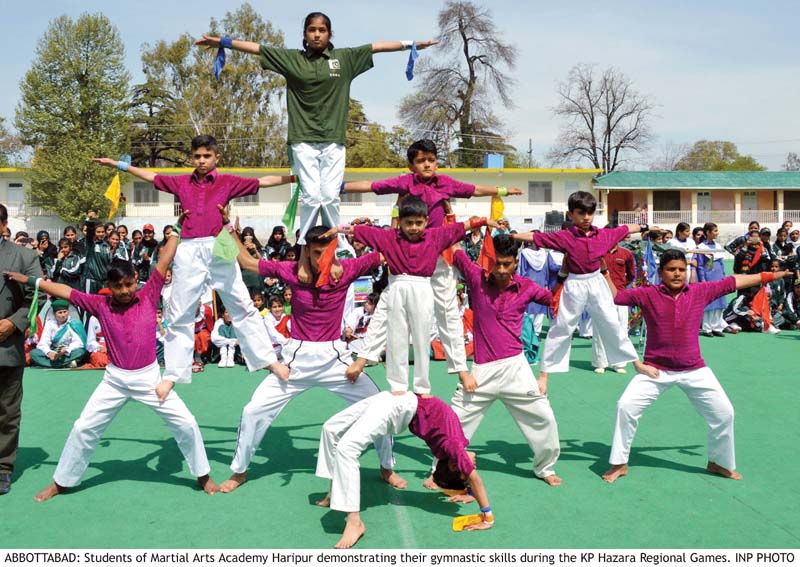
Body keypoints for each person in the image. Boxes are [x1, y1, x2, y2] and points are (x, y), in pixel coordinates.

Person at [5, 214, 221, 501]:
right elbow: (66, 290)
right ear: (109, 286)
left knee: (186, 423)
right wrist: (33, 280)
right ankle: (62, 482)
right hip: (115, 381)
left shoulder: (147, 294)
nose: (124, 291)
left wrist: (177, 230)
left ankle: (203, 475)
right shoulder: (100, 303)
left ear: (135, 281)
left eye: (129, 285)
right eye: (118, 287)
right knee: (84, 428)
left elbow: (165, 259)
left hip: (149, 378)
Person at [195, 13, 437, 251]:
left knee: (330, 196)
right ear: (305, 34)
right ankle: (305, 244)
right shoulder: (293, 60)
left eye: (322, 30)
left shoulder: (345, 58)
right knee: (311, 197)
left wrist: (411, 45)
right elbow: (258, 48)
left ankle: (337, 240)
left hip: (334, 140)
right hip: (303, 140)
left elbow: (378, 46)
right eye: (312, 30)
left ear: (330, 34)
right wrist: (222, 42)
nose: (317, 34)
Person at [218, 219, 402, 494]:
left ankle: (387, 467)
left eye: (327, 251)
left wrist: (362, 229)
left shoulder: (347, 269)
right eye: (316, 252)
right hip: (295, 363)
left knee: (380, 406)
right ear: (307, 250)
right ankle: (239, 471)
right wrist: (228, 228)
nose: (321, 258)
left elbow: (390, 248)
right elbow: (246, 261)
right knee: (252, 411)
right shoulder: (292, 271)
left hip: (335, 360)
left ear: (335, 249)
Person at [92, 134, 293, 384]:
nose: (202, 160)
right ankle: (174, 373)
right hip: (187, 247)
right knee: (179, 312)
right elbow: (150, 176)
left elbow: (264, 181)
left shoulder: (228, 181)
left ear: (216, 157)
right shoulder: (181, 183)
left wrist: (296, 177)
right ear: (192, 157)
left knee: (242, 303)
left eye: (207, 156)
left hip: (220, 243)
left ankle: (269, 360)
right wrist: (118, 165)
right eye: (197, 156)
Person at [342, 139, 522, 387]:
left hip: (438, 254)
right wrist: (337, 187)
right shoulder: (404, 182)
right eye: (420, 161)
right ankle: (363, 359)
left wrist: (502, 191)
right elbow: (370, 186)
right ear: (411, 165)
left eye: (431, 160)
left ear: (436, 161)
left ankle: (460, 369)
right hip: (404, 256)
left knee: (448, 313)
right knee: (386, 307)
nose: (427, 164)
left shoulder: (445, 183)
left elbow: (474, 189)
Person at [601, 249, 787, 483]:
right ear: (661, 272)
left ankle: (719, 463)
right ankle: (619, 463)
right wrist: (605, 271)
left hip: (694, 369)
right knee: (625, 406)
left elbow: (734, 281)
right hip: (656, 369)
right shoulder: (648, 294)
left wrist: (769, 276)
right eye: (671, 269)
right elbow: (617, 296)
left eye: (681, 269)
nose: (677, 274)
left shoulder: (700, 291)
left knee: (724, 413)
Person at [338, 197, 495, 393]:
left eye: (418, 223)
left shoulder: (435, 236)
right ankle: (398, 385)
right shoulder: (390, 237)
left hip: (423, 289)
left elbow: (461, 227)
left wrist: (482, 221)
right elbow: (357, 230)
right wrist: (335, 229)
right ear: (400, 222)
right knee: (396, 338)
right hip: (396, 287)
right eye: (408, 223)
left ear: (427, 221)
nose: (413, 228)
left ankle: (422, 387)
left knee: (422, 339)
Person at [445, 234, 561, 486]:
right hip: (481, 371)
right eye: (496, 263)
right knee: (453, 423)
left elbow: (555, 300)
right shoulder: (476, 276)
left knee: (545, 418)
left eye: (506, 264)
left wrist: (567, 273)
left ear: (516, 262)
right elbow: (452, 245)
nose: (500, 269)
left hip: (516, 367)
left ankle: (545, 468)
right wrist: (452, 207)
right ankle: (440, 471)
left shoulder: (527, 287)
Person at [316, 391, 493, 549]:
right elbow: (474, 477)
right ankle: (339, 498)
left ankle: (353, 520)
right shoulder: (455, 448)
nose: (471, 467)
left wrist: (468, 492)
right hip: (399, 404)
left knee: (345, 447)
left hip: (397, 406)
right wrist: (488, 517)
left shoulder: (453, 450)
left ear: (453, 466)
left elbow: (469, 471)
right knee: (331, 429)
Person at [512, 192, 645, 391]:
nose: (586, 217)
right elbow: (536, 237)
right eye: (581, 213)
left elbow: (627, 228)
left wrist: (645, 227)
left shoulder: (603, 235)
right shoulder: (565, 237)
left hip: (597, 282)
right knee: (561, 327)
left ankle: (635, 363)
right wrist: (512, 235)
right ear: (570, 214)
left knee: (612, 322)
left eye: (590, 213)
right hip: (574, 284)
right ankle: (544, 375)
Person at [0, 203, 43, 495]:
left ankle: (3, 467)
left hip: (5, 346)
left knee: (6, 411)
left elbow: (36, 297)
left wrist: (13, 324)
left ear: (3, 223)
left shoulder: (25, 256)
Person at [592, 243, 636, 374]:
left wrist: (621, 286)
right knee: (600, 328)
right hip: (600, 295)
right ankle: (600, 362)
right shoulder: (597, 253)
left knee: (621, 328)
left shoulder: (626, 253)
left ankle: (619, 363)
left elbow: (631, 274)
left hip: (620, 294)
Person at [29, 299, 87, 368]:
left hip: (68, 351)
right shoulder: (50, 324)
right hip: (54, 350)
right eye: (60, 312)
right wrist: (49, 352)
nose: (63, 315)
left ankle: (52, 364)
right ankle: (66, 363)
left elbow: (79, 343)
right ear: (54, 314)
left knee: (80, 352)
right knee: (34, 353)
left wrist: (67, 349)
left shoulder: (74, 323)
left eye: (65, 312)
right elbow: (43, 342)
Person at [697, 223, 731, 336]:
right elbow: (701, 265)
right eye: (715, 231)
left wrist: (723, 275)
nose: (717, 233)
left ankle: (717, 327)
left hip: (719, 276)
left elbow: (721, 262)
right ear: (708, 232)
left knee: (720, 301)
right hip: (708, 276)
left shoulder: (717, 246)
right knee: (709, 303)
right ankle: (707, 328)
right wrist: (702, 278)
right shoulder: (701, 247)